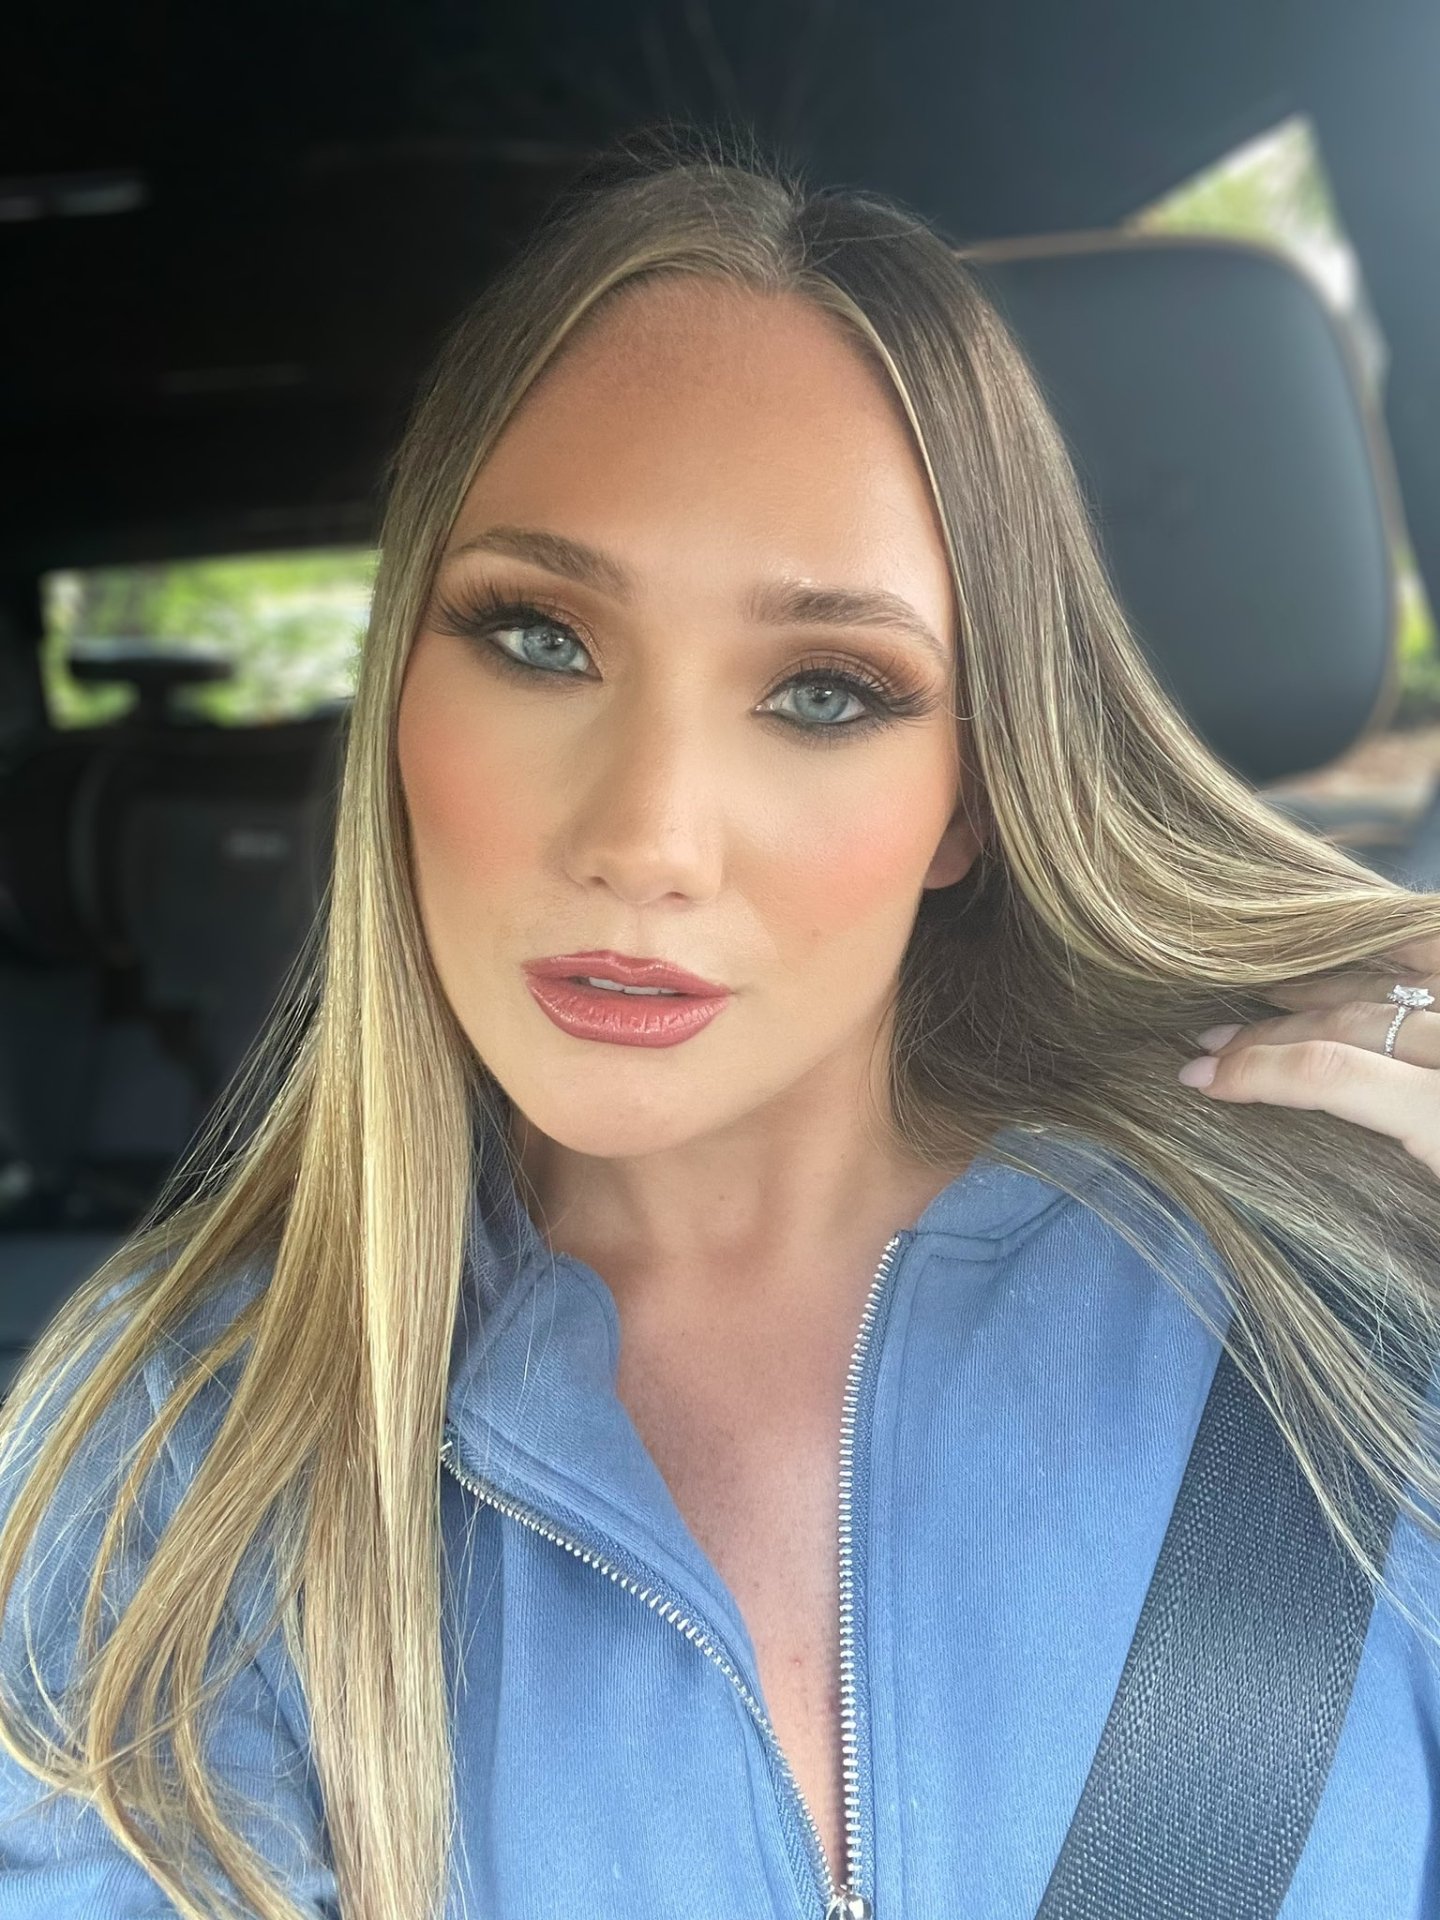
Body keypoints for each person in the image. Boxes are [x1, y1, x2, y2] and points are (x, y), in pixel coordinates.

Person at [1, 127, 1440, 1920]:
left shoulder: (1351, 1289)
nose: (648, 842)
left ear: (974, 795)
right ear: (397, 699)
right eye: (539, 639)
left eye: (825, 691)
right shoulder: (171, 1455)